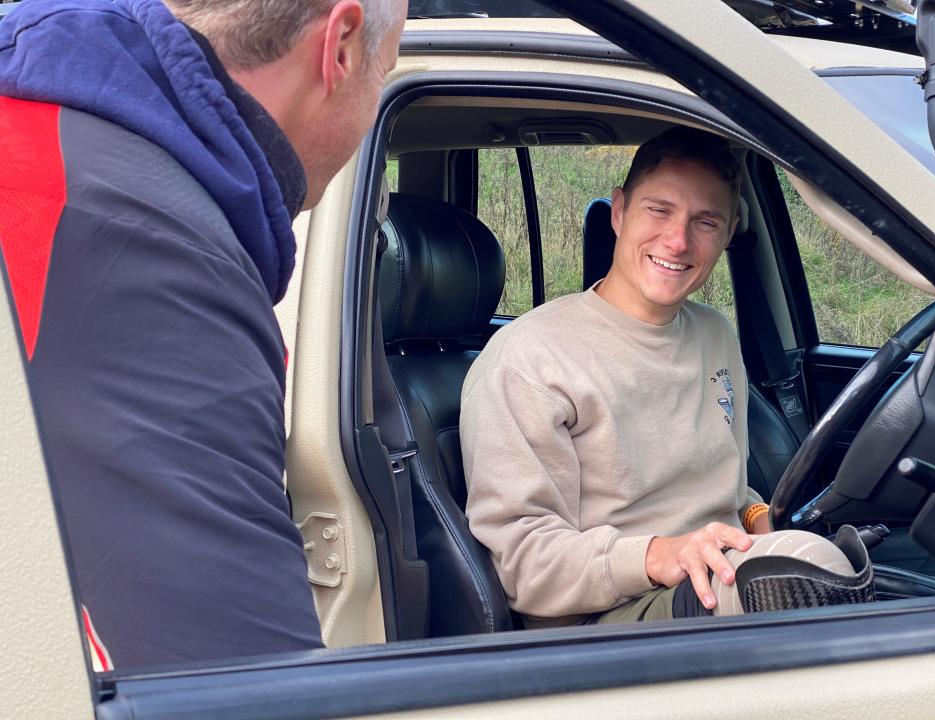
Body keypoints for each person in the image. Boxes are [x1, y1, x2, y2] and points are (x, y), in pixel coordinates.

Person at [0, 0, 406, 669]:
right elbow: (231, 681)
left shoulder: (70, 148)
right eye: (381, 75)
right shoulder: (153, 256)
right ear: (340, 47)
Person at [460, 127, 872, 628]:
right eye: (659, 211)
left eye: (705, 221)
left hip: (713, 572)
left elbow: (728, 492)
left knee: (843, 567)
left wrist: (757, 520)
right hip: (607, 618)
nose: (677, 241)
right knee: (807, 578)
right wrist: (659, 555)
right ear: (618, 212)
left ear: (726, 236)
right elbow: (521, 563)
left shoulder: (714, 334)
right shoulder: (529, 360)